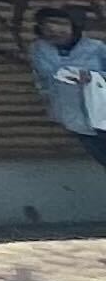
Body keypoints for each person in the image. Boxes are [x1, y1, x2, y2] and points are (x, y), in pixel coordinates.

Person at [31, 9, 106, 172]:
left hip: (101, 115)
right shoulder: (39, 49)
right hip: (72, 117)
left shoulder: (96, 48)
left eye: (61, 24)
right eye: (46, 25)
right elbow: (41, 78)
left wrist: (92, 76)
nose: (53, 30)